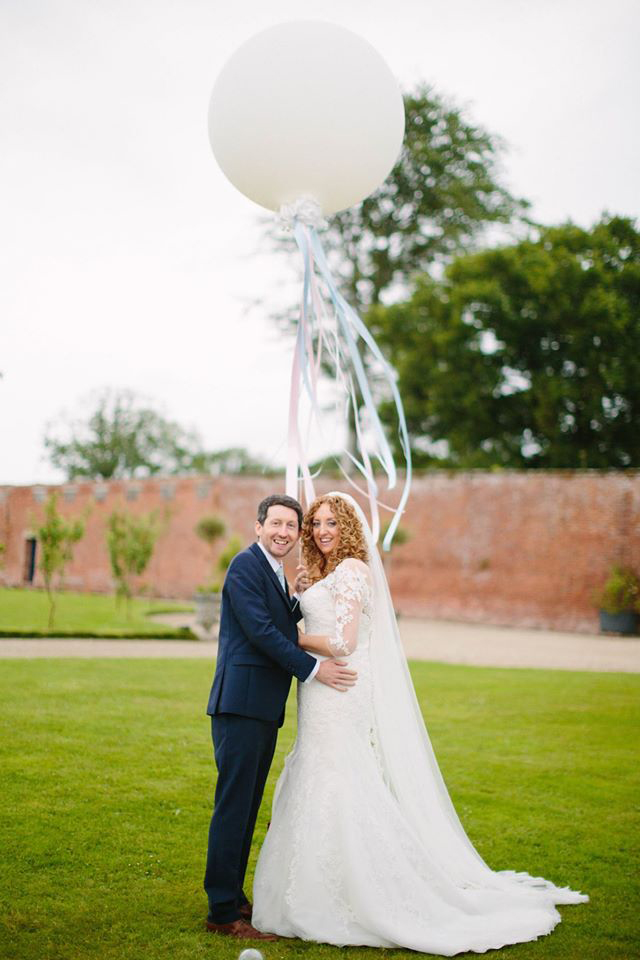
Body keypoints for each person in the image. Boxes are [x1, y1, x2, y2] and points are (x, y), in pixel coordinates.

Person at [252, 491, 588, 955]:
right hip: (317, 689)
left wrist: (293, 636)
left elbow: (346, 642)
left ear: (348, 527)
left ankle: (358, 891)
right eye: (316, 524)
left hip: (341, 687)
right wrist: (300, 592)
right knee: (317, 772)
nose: (322, 531)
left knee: (339, 778)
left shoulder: (352, 571)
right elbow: (320, 615)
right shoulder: (325, 572)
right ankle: (312, 885)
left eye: (331, 523)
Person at [203, 493, 358, 940]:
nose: (284, 532)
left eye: (292, 527)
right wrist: (314, 669)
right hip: (240, 705)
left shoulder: (275, 572)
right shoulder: (244, 566)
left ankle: (232, 896)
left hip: (262, 708)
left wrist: (299, 595)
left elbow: (283, 621)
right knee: (233, 807)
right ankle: (222, 912)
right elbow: (263, 633)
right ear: (258, 526)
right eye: (276, 523)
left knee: (247, 805)